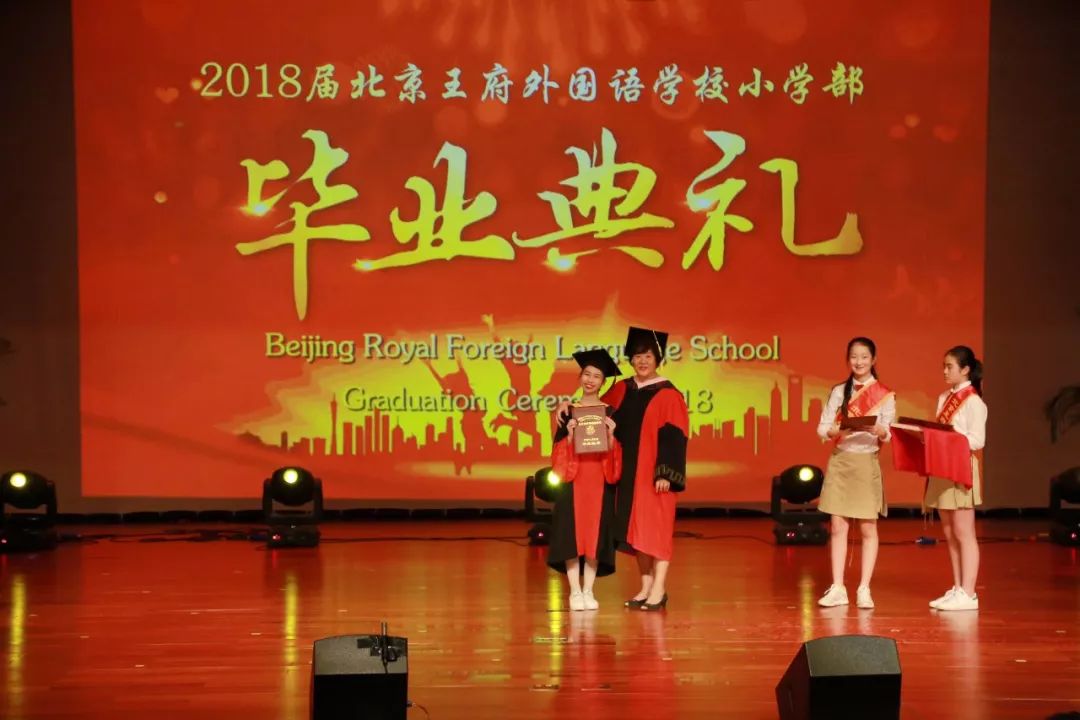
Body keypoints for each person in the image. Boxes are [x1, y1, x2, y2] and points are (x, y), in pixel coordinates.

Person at [601, 327, 689, 611]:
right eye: (637, 356)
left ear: (658, 359)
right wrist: (569, 407)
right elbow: (596, 412)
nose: (642, 361)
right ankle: (646, 586)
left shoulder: (669, 394)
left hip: (654, 475)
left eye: (648, 356)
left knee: (657, 530)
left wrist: (666, 473)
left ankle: (659, 588)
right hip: (628, 474)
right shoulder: (622, 389)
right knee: (636, 531)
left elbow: (675, 436)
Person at [815, 337, 896, 610]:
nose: (858, 362)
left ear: (873, 360)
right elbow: (822, 428)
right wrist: (838, 431)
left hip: (866, 462)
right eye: (853, 357)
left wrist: (880, 430)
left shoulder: (885, 394)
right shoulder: (839, 391)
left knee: (868, 527)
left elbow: (889, 432)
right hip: (841, 460)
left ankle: (864, 588)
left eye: (864, 357)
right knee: (838, 526)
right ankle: (838, 587)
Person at [547, 349, 622, 611]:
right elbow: (556, 457)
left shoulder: (611, 413)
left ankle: (589, 590)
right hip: (573, 480)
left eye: (596, 376)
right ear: (580, 377)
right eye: (587, 374)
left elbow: (617, 456)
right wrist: (568, 438)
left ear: (603, 382)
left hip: (599, 481)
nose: (590, 380)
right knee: (572, 536)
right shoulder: (567, 412)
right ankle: (574, 592)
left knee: (594, 537)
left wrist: (611, 438)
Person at [925, 345, 987, 612]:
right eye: (944, 366)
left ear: (965, 370)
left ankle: (969, 593)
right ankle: (958, 587)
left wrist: (950, 439)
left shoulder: (974, 402)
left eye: (949, 366)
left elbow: (977, 440)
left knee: (964, 532)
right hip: (942, 466)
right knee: (950, 532)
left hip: (960, 466)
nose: (945, 371)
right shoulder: (943, 397)